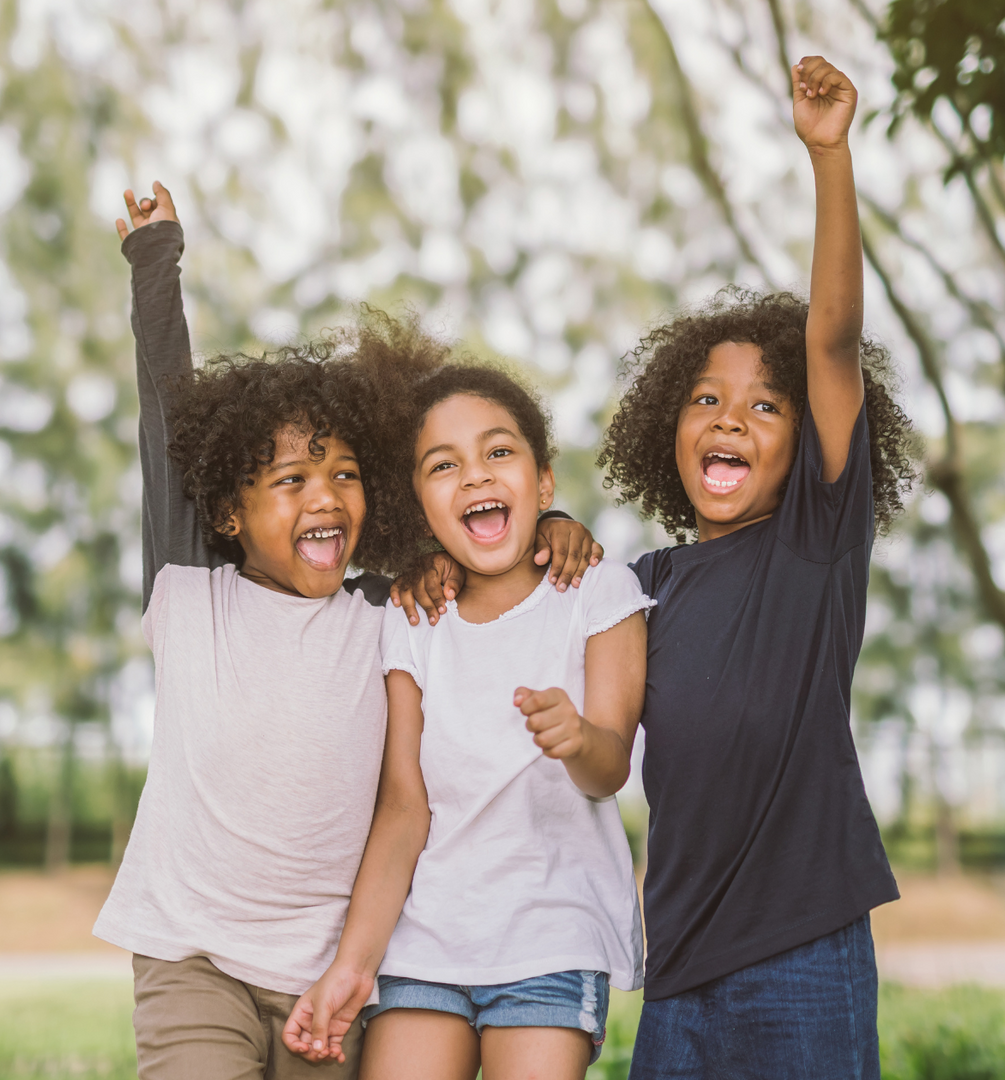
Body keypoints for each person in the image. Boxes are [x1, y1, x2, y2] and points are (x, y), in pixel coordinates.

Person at [93, 183, 603, 1080]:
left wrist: (555, 529)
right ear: (225, 511)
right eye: (290, 480)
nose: (324, 495)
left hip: (332, 973)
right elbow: (165, 417)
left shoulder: (390, 610)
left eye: (344, 473)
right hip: (192, 955)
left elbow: (485, 540)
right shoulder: (189, 591)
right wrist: (155, 262)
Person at [594, 58, 919, 1078]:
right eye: (705, 399)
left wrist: (829, 159)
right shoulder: (639, 584)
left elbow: (831, 341)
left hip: (804, 959)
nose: (731, 414)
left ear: (801, 443)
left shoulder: (816, 546)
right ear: (666, 427)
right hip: (680, 970)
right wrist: (561, 540)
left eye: (764, 405)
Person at [281, 356, 651, 1080]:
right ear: (419, 504)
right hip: (424, 946)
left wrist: (577, 738)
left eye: (498, 452)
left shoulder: (598, 591)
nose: (476, 476)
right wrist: (350, 968)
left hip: (552, 940)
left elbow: (609, 770)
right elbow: (402, 809)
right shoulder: (413, 618)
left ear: (543, 482)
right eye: (443, 465)